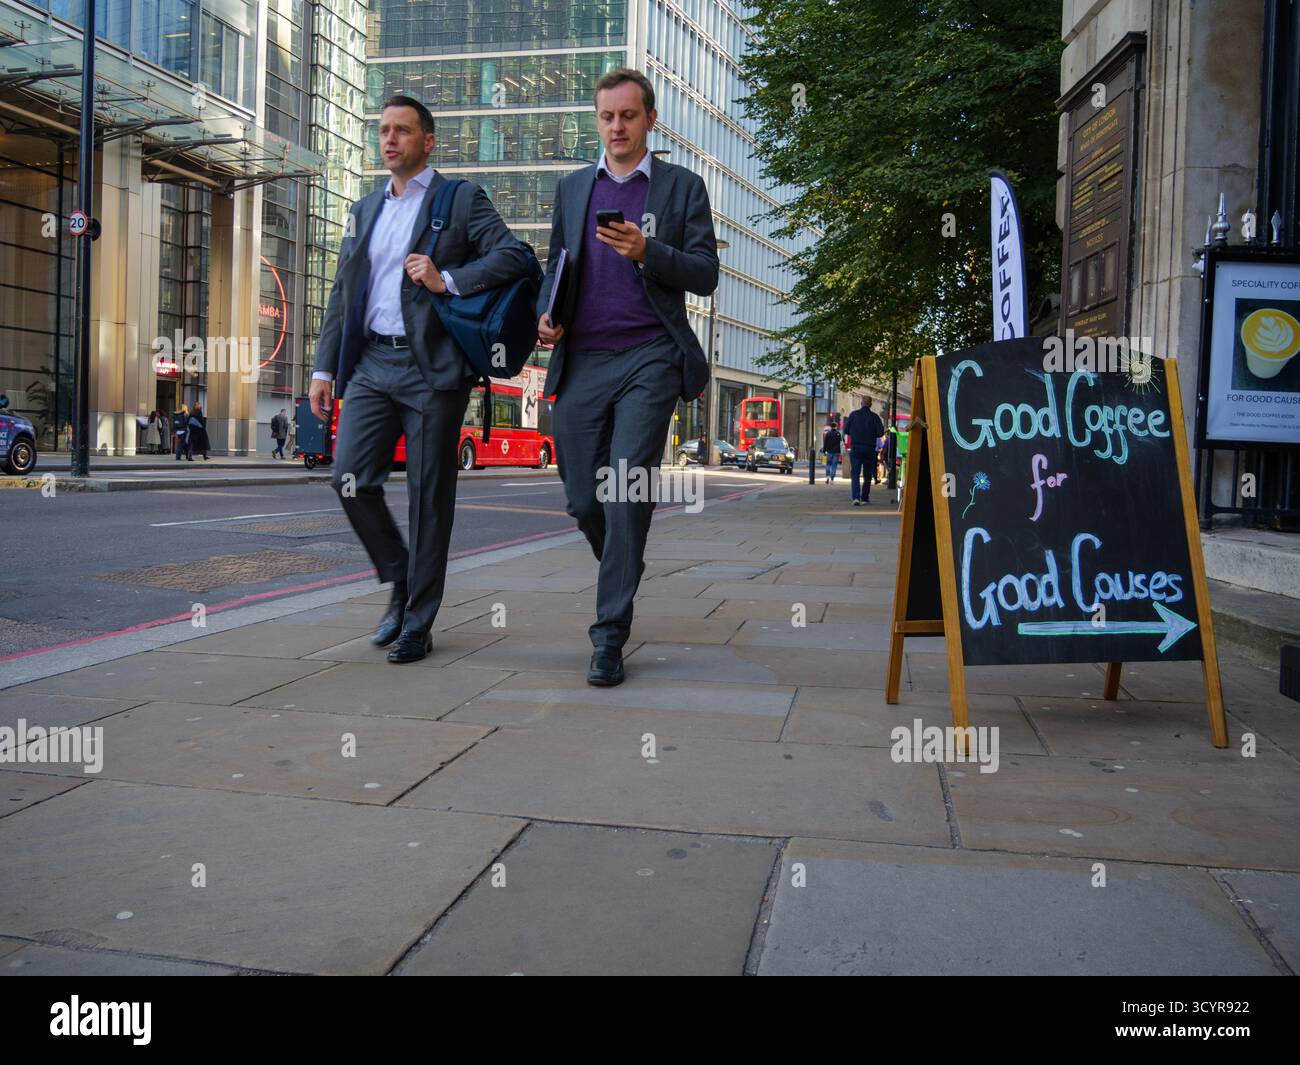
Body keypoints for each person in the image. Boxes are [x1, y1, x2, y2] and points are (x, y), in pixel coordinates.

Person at [310, 95, 530, 664]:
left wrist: (447, 279)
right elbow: (342, 294)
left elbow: (516, 257)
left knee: (429, 497)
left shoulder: (459, 200)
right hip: (369, 366)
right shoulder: (363, 209)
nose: (389, 140)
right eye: (383, 130)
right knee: (349, 478)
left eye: (402, 131)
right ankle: (399, 578)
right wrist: (324, 366)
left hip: (432, 369)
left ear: (427, 141)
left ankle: (418, 621)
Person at [537, 67, 719, 687]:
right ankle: (624, 559)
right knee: (586, 499)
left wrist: (649, 252)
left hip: (651, 356)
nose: (617, 126)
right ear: (599, 120)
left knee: (625, 490)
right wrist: (547, 316)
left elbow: (704, 274)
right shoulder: (571, 189)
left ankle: (609, 634)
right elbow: (555, 267)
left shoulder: (681, 188)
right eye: (607, 116)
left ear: (650, 120)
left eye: (629, 116)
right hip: (583, 359)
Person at [843, 394, 884, 506]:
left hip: (856, 447)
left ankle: (856, 497)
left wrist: (855, 432)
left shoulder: (853, 415)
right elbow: (880, 433)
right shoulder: (875, 417)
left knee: (855, 473)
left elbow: (846, 430)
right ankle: (865, 498)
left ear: (861, 403)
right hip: (870, 448)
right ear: (870, 404)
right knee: (867, 474)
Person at [822, 418, 842, 483]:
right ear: (836, 427)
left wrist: (824, 451)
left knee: (828, 464)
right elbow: (841, 443)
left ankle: (827, 476)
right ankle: (832, 478)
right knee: (834, 465)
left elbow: (825, 443)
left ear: (831, 427)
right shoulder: (838, 434)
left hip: (829, 451)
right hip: (836, 452)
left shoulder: (828, 434)